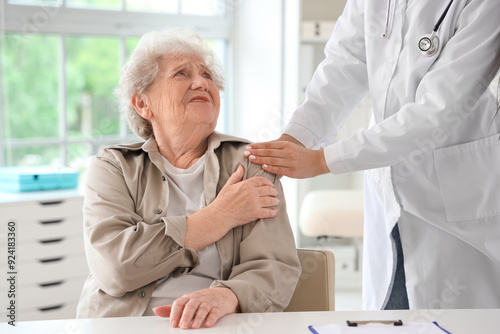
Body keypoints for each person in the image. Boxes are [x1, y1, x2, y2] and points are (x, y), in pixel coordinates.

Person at [244, 0, 500, 310]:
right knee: (390, 314)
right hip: (387, 192)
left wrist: (323, 160)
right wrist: (294, 139)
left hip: (453, 199)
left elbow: (438, 111)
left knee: (455, 318)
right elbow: (344, 64)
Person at [76, 28, 301, 329]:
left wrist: (228, 297)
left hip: (218, 323)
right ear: (143, 104)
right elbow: (115, 269)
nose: (201, 83)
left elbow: (276, 265)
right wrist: (217, 218)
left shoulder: (252, 164)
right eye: (181, 74)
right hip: (123, 325)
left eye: (207, 75)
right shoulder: (114, 167)